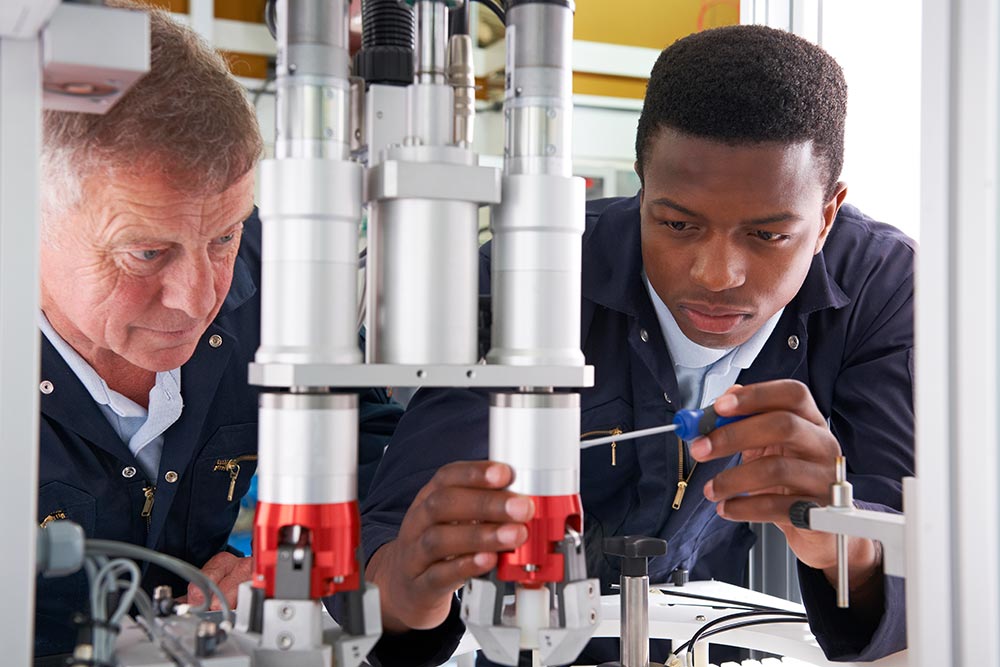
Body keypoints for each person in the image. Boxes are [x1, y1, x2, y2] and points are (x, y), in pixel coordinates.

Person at [359, 24, 913, 666]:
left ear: (826, 217)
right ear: (641, 187)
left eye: (767, 236)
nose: (716, 274)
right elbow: (397, 546)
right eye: (678, 224)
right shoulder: (531, 272)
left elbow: (914, 566)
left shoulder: (881, 285)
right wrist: (407, 587)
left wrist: (844, 538)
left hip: (711, 630)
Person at [34, 5, 401, 659]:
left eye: (223, 236)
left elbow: (372, 445)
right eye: (147, 252)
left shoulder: (273, 272)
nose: (200, 295)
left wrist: (292, 554)